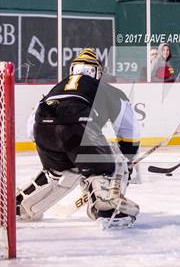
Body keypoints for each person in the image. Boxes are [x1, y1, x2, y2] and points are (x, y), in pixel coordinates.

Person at [17, 49, 140, 228]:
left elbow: (31, 128)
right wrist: (126, 159)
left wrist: (60, 151)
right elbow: (129, 130)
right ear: (97, 71)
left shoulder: (56, 88)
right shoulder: (107, 89)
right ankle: (108, 210)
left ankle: (20, 206)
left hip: (43, 130)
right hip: (79, 127)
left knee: (59, 175)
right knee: (110, 164)